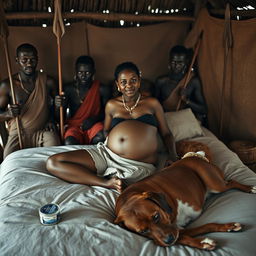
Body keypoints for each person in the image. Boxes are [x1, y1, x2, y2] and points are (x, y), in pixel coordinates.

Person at [46, 62, 178, 192]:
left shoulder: (152, 103)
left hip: (139, 164)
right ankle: (106, 182)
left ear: (139, 81)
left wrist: (173, 155)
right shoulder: (112, 105)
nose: (129, 86)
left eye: (133, 80)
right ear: (118, 85)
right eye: (123, 82)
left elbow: (166, 133)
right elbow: (106, 130)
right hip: (108, 155)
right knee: (53, 162)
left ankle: (111, 179)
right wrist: (116, 142)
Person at [0, 43, 60, 158]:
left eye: (33, 60)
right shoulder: (8, 85)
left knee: (55, 154)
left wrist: (52, 118)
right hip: (18, 133)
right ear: (17, 60)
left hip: (43, 130)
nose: (29, 64)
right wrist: (8, 114)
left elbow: (57, 112)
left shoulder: (48, 81)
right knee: (9, 159)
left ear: (37, 59)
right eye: (24, 60)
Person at [55, 55, 111, 145]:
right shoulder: (68, 89)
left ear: (93, 72)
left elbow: (108, 113)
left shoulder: (102, 89)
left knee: (100, 137)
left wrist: (94, 119)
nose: (83, 76)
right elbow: (60, 118)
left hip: (94, 124)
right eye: (80, 72)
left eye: (87, 73)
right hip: (74, 125)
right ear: (76, 72)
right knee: (69, 142)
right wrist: (58, 106)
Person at [155, 45, 208, 126]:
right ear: (169, 62)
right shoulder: (161, 81)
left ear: (186, 62)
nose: (176, 66)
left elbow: (203, 110)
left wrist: (186, 100)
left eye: (180, 63)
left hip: (184, 121)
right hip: (167, 120)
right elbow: (155, 106)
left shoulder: (193, 81)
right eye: (173, 62)